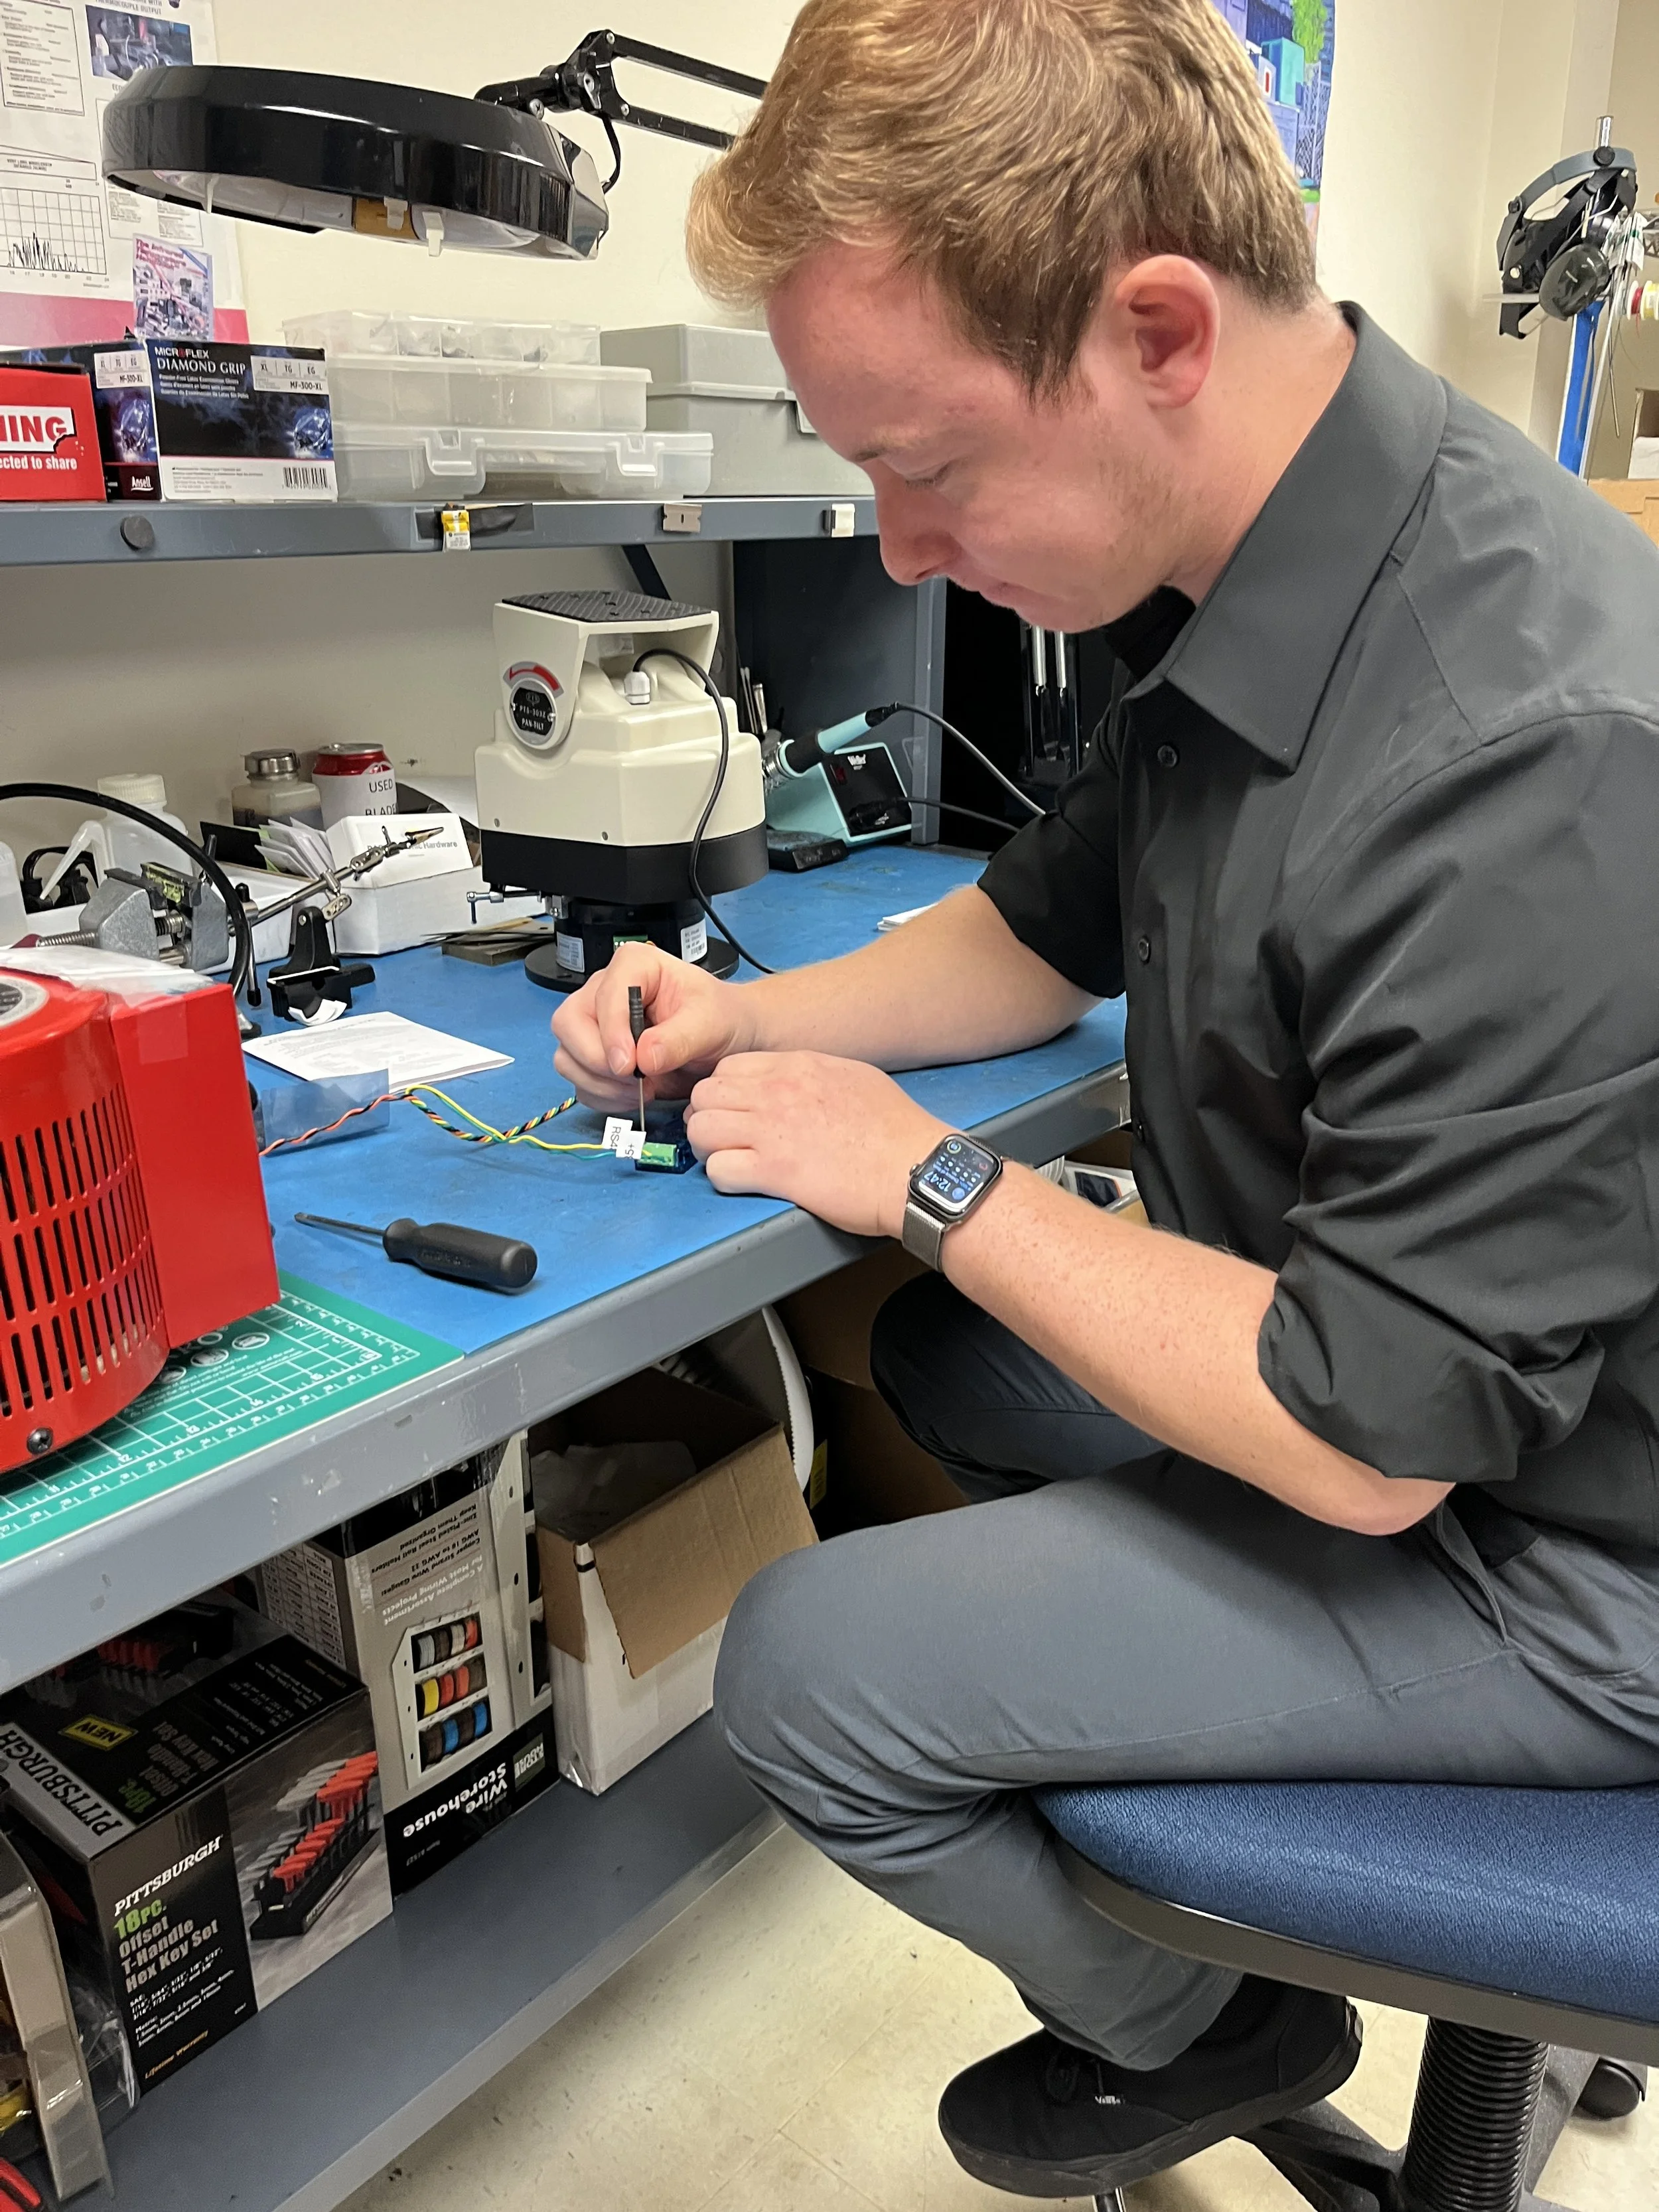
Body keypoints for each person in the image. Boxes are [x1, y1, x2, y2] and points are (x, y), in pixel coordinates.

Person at [550, 0, 1659, 2197]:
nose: (886, 547)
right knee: (967, 1362)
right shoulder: (1253, 569)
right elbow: (1037, 932)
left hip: (1576, 1560)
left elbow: (1362, 1449)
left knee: (808, 1667)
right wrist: (754, 1025)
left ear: (1153, 326)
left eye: (927, 464)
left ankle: (1218, 2015)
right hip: (1444, 1394)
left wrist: (934, 1176)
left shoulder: (1519, 746)